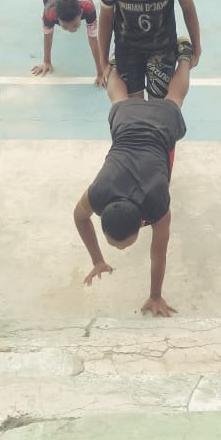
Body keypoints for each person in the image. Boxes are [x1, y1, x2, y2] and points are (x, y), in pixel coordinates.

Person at [73, 54, 192, 317]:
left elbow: (158, 254)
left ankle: (184, 58)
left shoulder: (157, 202)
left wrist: (156, 296)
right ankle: (119, 64)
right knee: (119, 99)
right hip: (127, 120)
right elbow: (79, 217)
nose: (120, 249)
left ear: (141, 223)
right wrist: (97, 260)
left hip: (159, 125)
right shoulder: (98, 192)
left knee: (174, 99)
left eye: (123, 246)